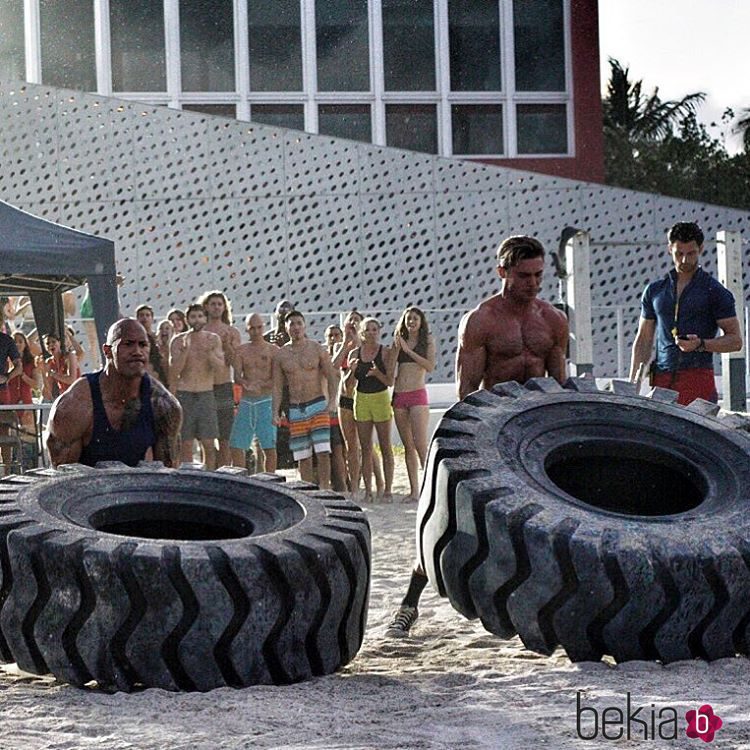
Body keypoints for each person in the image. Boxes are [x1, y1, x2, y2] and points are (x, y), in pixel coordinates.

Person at [387, 234, 569, 637]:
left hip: (535, 431)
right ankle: (409, 602)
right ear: (502, 271)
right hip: (490, 428)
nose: (533, 283)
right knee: (449, 519)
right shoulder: (481, 320)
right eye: (524, 275)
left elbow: (561, 387)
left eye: (539, 275)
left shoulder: (553, 320)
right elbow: (465, 392)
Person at [629, 221, 742, 405]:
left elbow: (736, 341)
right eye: (678, 254)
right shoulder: (655, 290)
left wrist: (701, 344)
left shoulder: (714, 291)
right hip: (662, 379)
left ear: (701, 249)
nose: (684, 260)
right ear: (669, 249)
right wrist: (633, 385)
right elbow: (643, 340)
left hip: (697, 378)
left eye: (691, 254)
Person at [46, 318, 182, 468]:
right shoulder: (73, 406)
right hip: (86, 487)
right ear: (107, 351)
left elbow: (168, 476)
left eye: (143, 345)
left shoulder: (163, 405)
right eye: (128, 344)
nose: (137, 352)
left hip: (134, 487)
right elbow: (62, 479)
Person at [272, 311, 338, 488]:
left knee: (323, 451)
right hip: (296, 408)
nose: (295, 327)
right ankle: (308, 489)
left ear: (304, 325)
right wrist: (275, 411)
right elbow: (277, 386)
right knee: (303, 454)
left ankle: (325, 488)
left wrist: (332, 401)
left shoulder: (316, 348)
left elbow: (331, 376)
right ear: (286, 327)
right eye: (292, 324)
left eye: (299, 323)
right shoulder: (281, 355)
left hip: (317, 403)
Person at [169, 303, 225, 470]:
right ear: (187, 319)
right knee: (186, 442)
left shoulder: (213, 339)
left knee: (208, 442)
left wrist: (209, 353)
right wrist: (185, 352)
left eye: (200, 316)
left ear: (205, 318)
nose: (197, 320)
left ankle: (209, 476)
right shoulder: (178, 340)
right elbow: (174, 372)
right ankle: (189, 475)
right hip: (185, 394)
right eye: (193, 316)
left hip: (206, 393)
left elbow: (220, 368)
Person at [346, 317, 396, 501]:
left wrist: (376, 373)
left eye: (375, 329)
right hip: (362, 399)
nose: (372, 333)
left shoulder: (385, 352)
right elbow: (347, 386)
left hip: (381, 397)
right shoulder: (354, 354)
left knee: (385, 446)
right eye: (368, 330)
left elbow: (390, 381)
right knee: (365, 448)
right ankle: (368, 491)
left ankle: (388, 490)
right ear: (362, 333)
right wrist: (352, 371)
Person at [392, 306, 436, 502]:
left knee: (420, 444)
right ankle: (414, 491)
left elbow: (429, 366)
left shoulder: (427, 340)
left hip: (417, 394)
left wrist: (408, 350)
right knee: (407, 445)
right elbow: (391, 369)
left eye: (415, 319)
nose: (411, 322)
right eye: (408, 318)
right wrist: (397, 348)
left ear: (421, 321)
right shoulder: (398, 341)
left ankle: (431, 487)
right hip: (400, 395)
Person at [229, 313, 278, 472]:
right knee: (237, 445)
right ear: (247, 329)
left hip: (266, 402)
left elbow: (277, 379)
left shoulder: (273, 350)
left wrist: (261, 384)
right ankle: (240, 480)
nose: (256, 331)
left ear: (263, 327)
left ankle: (270, 481)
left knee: (269, 447)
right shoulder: (241, 351)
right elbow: (237, 376)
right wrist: (246, 384)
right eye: (252, 328)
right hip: (247, 402)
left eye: (259, 327)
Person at [200, 291, 242, 467]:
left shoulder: (231, 332)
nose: (216, 307)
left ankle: (223, 474)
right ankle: (209, 473)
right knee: (207, 441)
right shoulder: (200, 331)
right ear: (206, 307)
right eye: (213, 304)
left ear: (224, 307)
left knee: (225, 439)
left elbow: (237, 365)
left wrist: (227, 347)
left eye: (219, 304)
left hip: (224, 386)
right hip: (203, 388)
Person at [324, 323, 347, 492]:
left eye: (337, 335)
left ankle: (347, 485)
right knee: (335, 450)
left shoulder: (348, 354)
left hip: (345, 407)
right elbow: (331, 367)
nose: (333, 339)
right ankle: (341, 485)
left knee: (347, 449)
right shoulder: (322, 356)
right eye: (330, 335)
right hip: (329, 410)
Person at [135, 304, 168, 384]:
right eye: (141, 315)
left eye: (147, 315)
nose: (144, 318)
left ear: (152, 318)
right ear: (137, 318)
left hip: (160, 376)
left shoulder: (158, 337)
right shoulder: (134, 338)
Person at [41, 333, 79, 401]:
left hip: (77, 395)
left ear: (59, 343)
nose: (51, 345)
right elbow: (46, 393)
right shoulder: (49, 362)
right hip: (65, 397)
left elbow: (72, 380)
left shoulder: (70, 356)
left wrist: (54, 374)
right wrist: (43, 372)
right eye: (47, 343)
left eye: (53, 342)